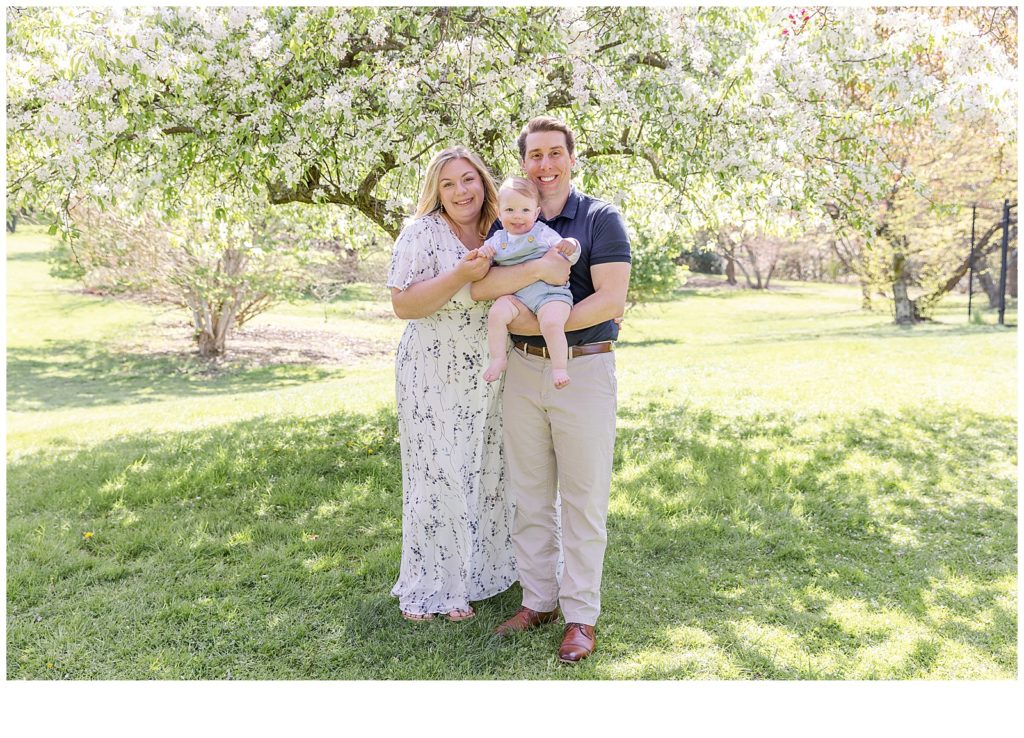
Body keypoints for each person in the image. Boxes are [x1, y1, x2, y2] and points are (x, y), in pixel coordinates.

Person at [471, 116, 631, 663]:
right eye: (534, 155)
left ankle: (580, 615)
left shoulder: (599, 218)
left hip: (582, 370)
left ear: (570, 157)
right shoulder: (511, 218)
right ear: (523, 163)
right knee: (530, 493)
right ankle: (537, 598)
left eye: (554, 153)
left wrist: (539, 323)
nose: (544, 165)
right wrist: (526, 316)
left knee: (583, 498)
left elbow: (610, 302)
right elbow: (482, 286)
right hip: (520, 370)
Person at [387, 145, 517, 622]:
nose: (461, 191)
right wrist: (458, 274)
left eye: (468, 180)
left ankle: (479, 572)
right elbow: (404, 305)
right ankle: (432, 586)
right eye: (448, 183)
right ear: (436, 192)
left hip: (488, 370)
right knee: (436, 474)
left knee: (485, 470)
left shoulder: (503, 231)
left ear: (484, 182)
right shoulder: (422, 233)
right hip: (432, 369)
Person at [481, 176, 580, 389]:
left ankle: (559, 368)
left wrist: (571, 245)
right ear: (499, 212)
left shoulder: (543, 232)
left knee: (551, 323)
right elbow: (483, 260)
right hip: (518, 297)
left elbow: (566, 253)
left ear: (536, 213)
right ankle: (498, 358)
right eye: (510, 211)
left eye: (525, 211)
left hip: (549, 294)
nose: (518, 216)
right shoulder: (497, 239)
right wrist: (484, 253)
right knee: (497, 314)